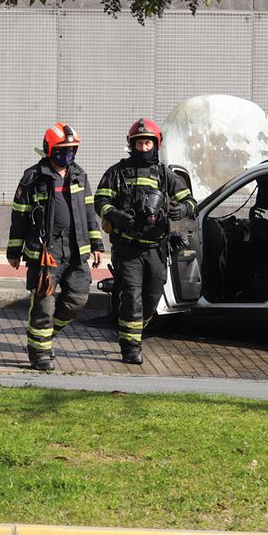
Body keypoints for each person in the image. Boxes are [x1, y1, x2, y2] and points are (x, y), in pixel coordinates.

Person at [95, 118, 195, 365]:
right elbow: (100, 201)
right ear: (132, 144)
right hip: (128, 247)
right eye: (139, 143)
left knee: (151, 299)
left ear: (156, 144)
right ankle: (130, 347)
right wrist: (115, 214)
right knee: (132, 297)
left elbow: (191, 202)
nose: (143, 147)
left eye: (147, 143)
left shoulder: (165, 174)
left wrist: (180, 210)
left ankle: (134, 331)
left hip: (156, 248)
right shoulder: (117, 173)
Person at [7, 123, 103, 373]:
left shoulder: (79, 175)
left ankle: (45, 335)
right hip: (45, 253)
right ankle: (39, 353)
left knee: (77, 300)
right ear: (50, 149)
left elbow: (89, 212)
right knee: (43, 307)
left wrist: (96, 244)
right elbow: (19, 217)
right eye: (62, 150)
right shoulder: (33, 178)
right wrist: (14, 251)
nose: (67, 155)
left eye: (72, 150)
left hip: (76, 250)